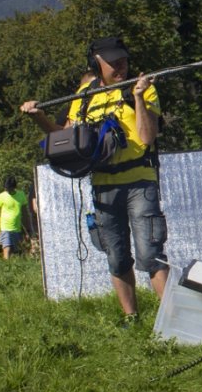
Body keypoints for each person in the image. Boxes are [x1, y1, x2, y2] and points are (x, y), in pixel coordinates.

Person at [20, 36, 169, 325]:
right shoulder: (84, 95)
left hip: (140, 182)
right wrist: (38, 117)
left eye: (123, 60)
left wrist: (138, 97)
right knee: (116, 255)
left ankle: (173, 320)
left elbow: (147, 136)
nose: (121, 66)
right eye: (113, 62)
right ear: (96, 64)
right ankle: (131, 319)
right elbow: (64, 140)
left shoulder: (141, 90)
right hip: (103, 184)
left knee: (150, 254)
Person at [0, 175, 32, 259]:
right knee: (7, 250)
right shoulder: (1, 196)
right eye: (6, 188)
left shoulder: (21, 195)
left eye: (9, 188)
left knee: (17, 252)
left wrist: (27, 229)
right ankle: (6, 269)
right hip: (5, 229)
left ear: (14, 187)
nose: (7, 190)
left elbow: (25, 213)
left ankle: (12, 270)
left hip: (17, 229)